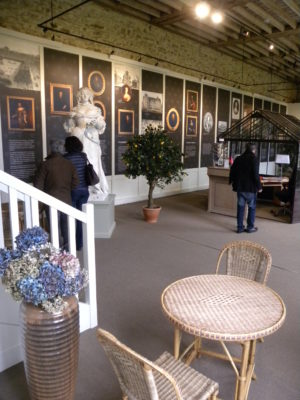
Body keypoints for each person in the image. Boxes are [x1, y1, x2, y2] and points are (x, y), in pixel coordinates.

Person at [64, 87, 109, 199]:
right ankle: (79, 186)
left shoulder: (95, 109)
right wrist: (70, 119)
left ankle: (95, 187)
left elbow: (102, 126)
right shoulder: (75, 109)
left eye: (86, 94)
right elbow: (69, 127)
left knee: (92, 161)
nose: (84, 96)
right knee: (77, 162)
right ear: (78, 96)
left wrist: (96, 123)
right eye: (82, 94)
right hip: (77, 135)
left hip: (91, 137)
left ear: (90, 96)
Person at [34, 140, 79, 250]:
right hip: (66, 199)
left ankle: (56, 251)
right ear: (62, 148)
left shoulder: (45, 165)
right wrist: (66, 190)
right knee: (66, 226)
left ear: (51, 149)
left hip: (51, 201)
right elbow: (75, 182)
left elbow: (38, 185)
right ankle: (68, 251)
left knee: (54, 228)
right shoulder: (69, 164)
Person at [229, 143, 262, 233]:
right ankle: (250, 227)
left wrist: (231, 181)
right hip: (250, 189)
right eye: (255, 150)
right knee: (251, 207)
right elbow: (255, 175)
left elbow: (232, 171)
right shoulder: (254, 159)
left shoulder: (238, 159)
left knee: (240, 208)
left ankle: (240, 228)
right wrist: (259, 187)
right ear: (253, 150)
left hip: (240, 188)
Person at [64, 136, 89, 251]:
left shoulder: (66, 158)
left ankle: (71, 243)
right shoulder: (83, 156)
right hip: (84, 190)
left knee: (70, 218)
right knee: (80, 218)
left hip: (72, 191)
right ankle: (79, 243)